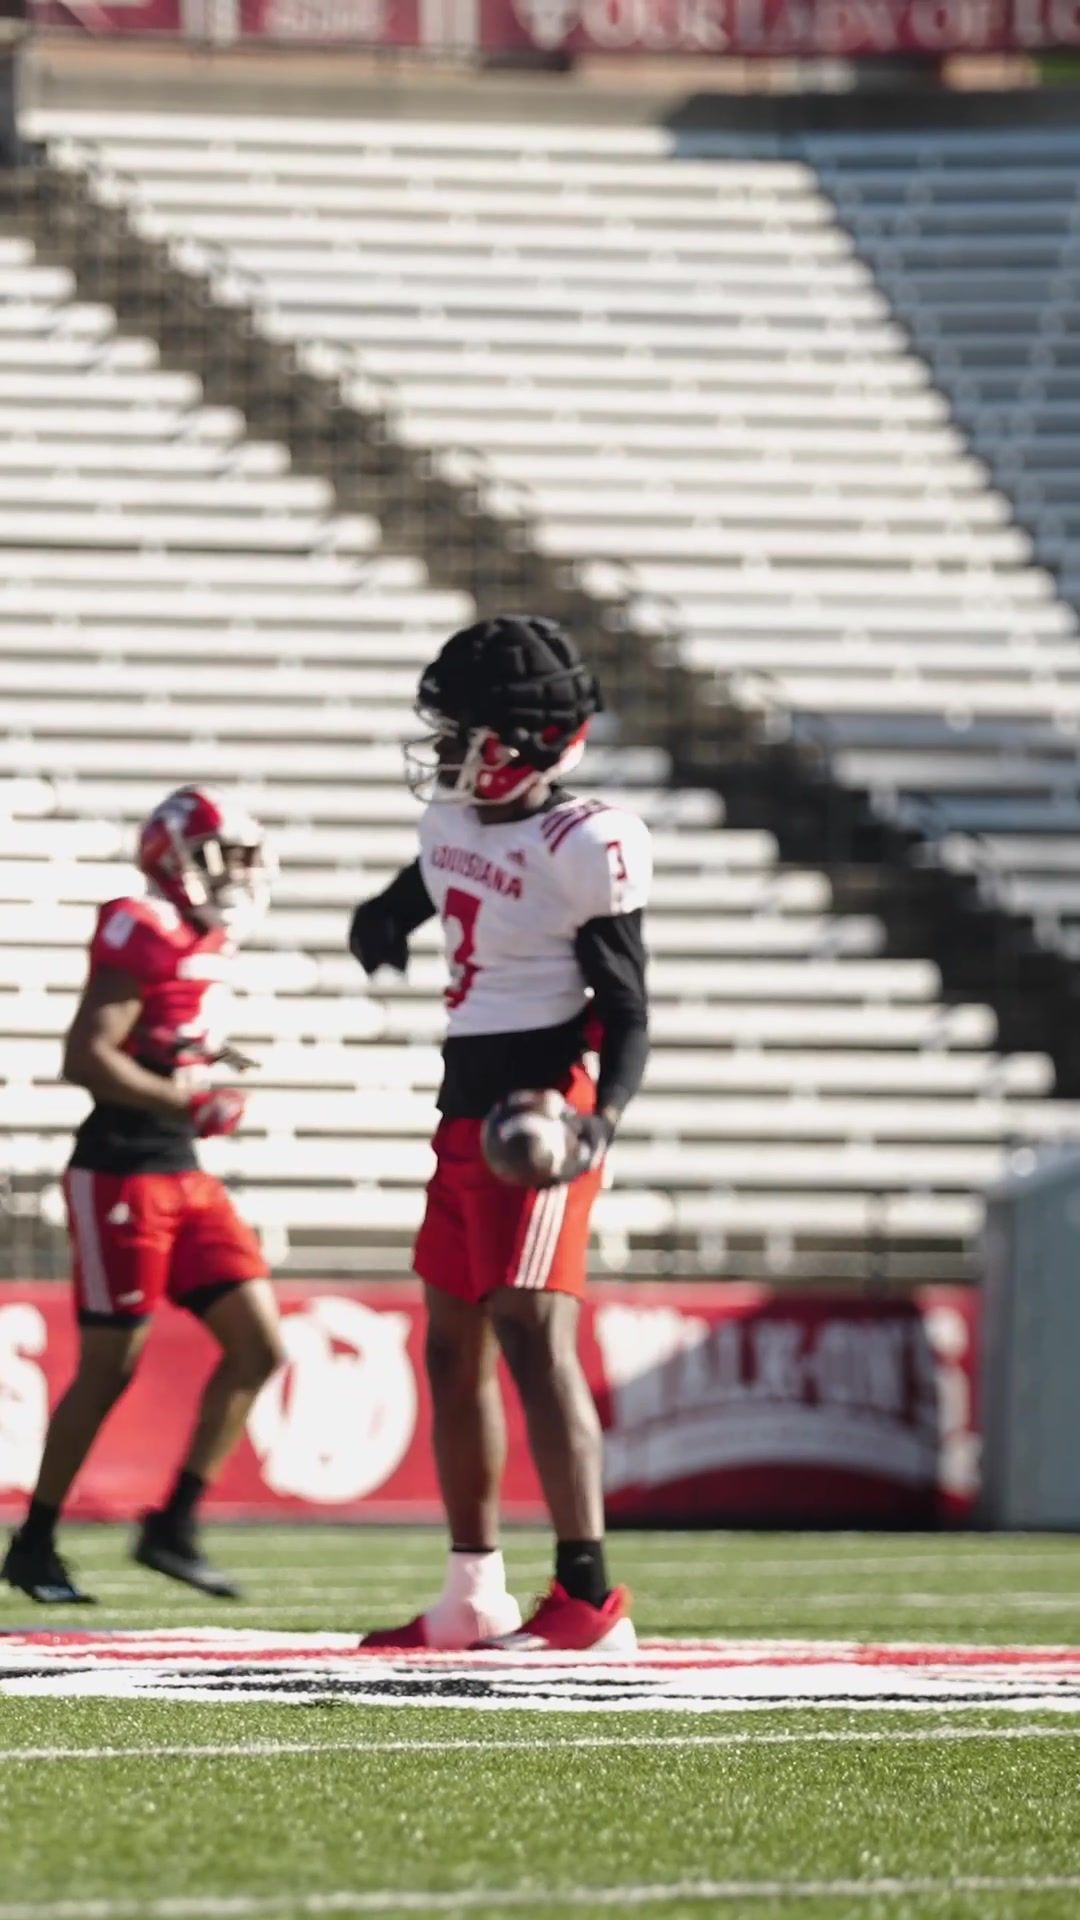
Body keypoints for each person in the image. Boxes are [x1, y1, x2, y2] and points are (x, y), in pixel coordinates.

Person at [349, 615, 651, 1655]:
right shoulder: (455, 823)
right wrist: (379, 921)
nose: (446, 751)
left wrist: (599, 1120)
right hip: (463, 1108)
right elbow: (423, 891)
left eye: (465, 732)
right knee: (451, 1346)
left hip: (539, 1107)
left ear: (527, 741)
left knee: (532, 1334)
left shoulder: (584, 845)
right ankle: (472, 1592)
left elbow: (629, 1006)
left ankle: (587, 1600)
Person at [2, 785, 285, 1605]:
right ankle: (35, 1543)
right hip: (122, 1168)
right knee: (109, 1366)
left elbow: (161, 1038)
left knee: (259, 1346)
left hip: (183, 1171)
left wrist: (202, 1065)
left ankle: (173, 1527)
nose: (236, 872)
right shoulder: (143, 924)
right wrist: (184, 1098)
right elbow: (88, 1055)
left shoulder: (203, 937)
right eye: (224, 856)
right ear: (177, 858)